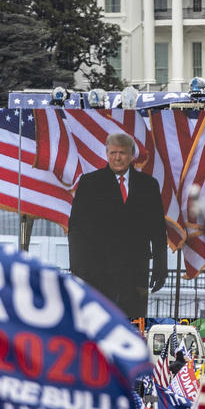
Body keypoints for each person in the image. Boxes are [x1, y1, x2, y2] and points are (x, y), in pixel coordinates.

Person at [68, 132, 167, 319]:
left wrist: (161, 266)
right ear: (106, 154)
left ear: (131, 155)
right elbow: (76, 229)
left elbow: (158, 230)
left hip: (136, 274)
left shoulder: (149, 185)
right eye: (113, 153)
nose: (117, 157)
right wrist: (78, 270)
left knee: (133, 325)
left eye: (122, 153)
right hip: (97, 274)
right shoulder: (89, 183)